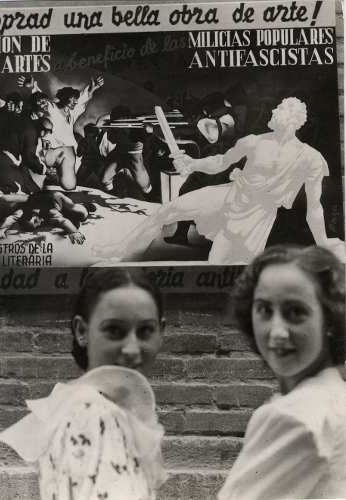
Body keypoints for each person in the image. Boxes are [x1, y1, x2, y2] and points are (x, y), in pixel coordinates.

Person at [92, 98, 345, 265]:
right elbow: (222, 161)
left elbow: (315, 206)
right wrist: (192, 164)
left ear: (292, 118)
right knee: (165, 210)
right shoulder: (254, 141)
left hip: (256, 215)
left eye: (279, 110)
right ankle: (120, 249)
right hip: (230, 193)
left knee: (218, 264)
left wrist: (322, 241)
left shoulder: (310, 158)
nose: (273, 112)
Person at [0, 268, 168, 500]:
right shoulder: (90, 415)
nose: (132, 349)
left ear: (161, 332)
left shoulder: (113, 410)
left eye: (145, 331)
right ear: (81, 331)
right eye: (115, 330)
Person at [218, 244, 346, 500]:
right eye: (265, 310)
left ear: (330, 320)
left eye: (295, 313)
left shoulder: (294, 415)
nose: (277, 332)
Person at [0, 190, 94, 244]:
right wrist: (2, 229)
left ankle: (83, 205)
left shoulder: (44, 213)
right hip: (48, 202)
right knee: (78, 216)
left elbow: (63, 221)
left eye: (35, 221)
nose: (39, 223)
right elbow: (12, 218)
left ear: (32, 215)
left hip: (56, 198)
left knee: (81, 214)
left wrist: (73, 232)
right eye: (37, 226)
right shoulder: (28, 213)